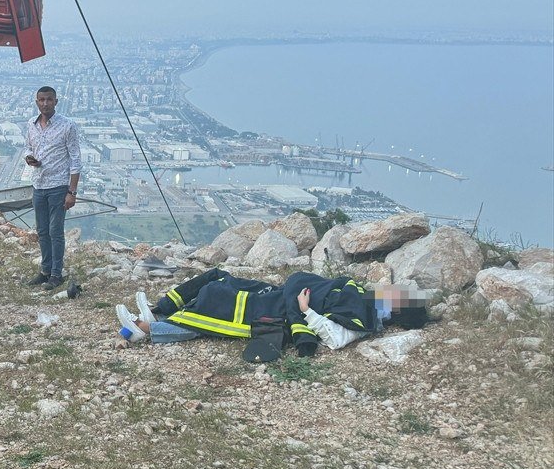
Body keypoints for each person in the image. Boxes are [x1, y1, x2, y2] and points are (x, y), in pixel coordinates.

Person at [114, 270, 428, 362]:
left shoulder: (365, 319)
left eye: (398, 294)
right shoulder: (361, 295)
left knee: (215, 312)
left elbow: (335, 337)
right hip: (280, 294)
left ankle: (145, 329)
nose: (392, 289)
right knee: (217, 280)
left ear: (396, 307)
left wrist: (305, 312)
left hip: (279, 312)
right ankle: (159, 309)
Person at [23, 86, 81, 291]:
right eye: (41, 100)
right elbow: (29, 147)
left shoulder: (68, 126)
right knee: (42, 230)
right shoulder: (31, 124)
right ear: (36, 102)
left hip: (58, 185)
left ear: (56, 101)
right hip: (38, 183)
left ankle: (57, 273)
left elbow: (75, 159)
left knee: (55, 231)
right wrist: (30, 158)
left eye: (49, 99)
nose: (45, 103)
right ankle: (45, 270)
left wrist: (72, 192)